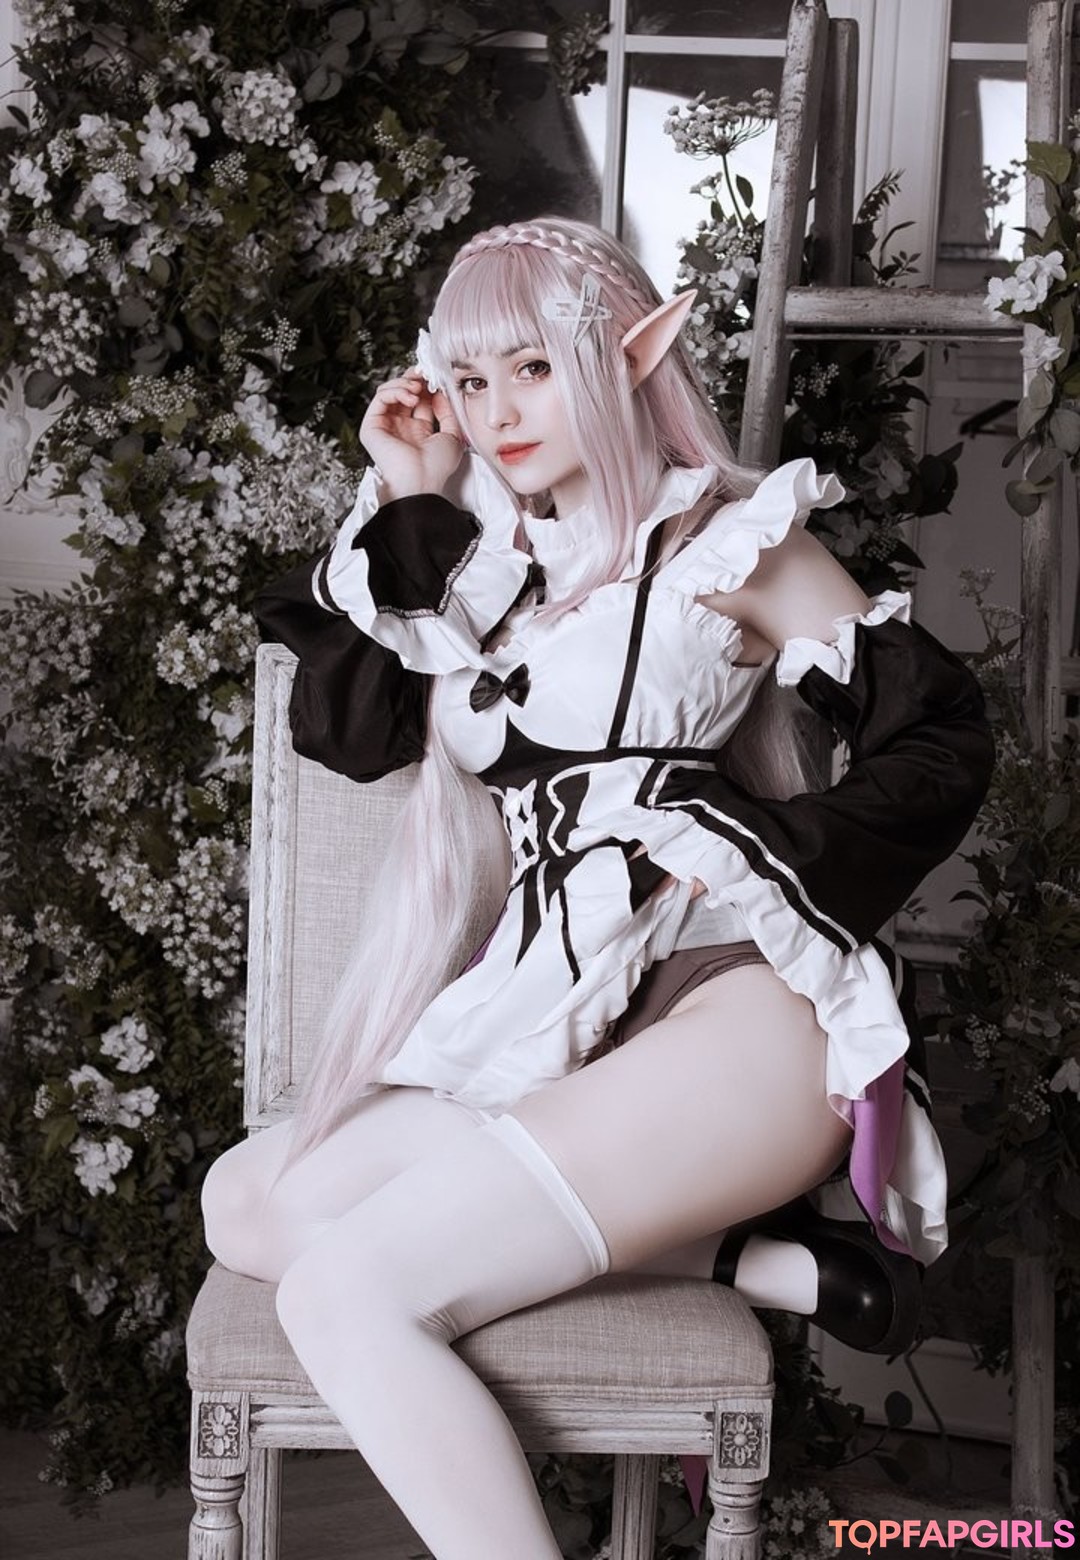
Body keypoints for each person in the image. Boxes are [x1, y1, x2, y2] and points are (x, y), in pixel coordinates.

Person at [201, 216, 994, 1559]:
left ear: (629, 360)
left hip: (731, 1018)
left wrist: (756, 846)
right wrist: (409, 492)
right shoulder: (485, 572)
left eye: (533, 369)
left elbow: (941, 738)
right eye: (470, 381)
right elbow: (352, 733)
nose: (499, 413)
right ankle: (754, 1262)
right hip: (558, 1015)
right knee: (246, 1199)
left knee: (343, 1290)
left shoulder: (726, 546)